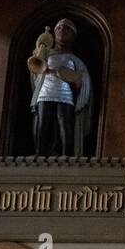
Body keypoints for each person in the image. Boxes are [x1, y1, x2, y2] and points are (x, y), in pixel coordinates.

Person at [30, 18, 92, 156]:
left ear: (73, 35)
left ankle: (66, 155)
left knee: (64, 122)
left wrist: (73, 77)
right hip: (46, 91)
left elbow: (83, 78)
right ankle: (40, 153)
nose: (62, 30)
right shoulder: (46, 53)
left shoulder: (75, 59)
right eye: (58, 28)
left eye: (66, 28)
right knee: (43, 121)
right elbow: (36, 71)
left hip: (65, 93)